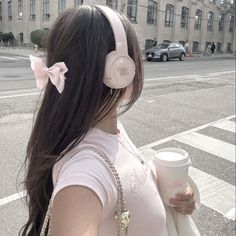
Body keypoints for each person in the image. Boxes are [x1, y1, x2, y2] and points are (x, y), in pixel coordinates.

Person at [20, 5, 196, 236]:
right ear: (119, 68)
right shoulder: (85, 172)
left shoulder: (110, 130)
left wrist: (171, 197)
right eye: (136, 55)